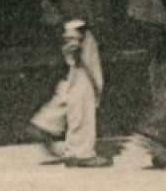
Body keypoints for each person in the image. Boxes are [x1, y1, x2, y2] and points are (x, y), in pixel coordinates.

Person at [29, 18, 111, 167]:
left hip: (74, 23)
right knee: (85, 84)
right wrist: (77, 27)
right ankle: (80, 150)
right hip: (79, 24)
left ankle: (48, 120)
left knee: (75, 80)